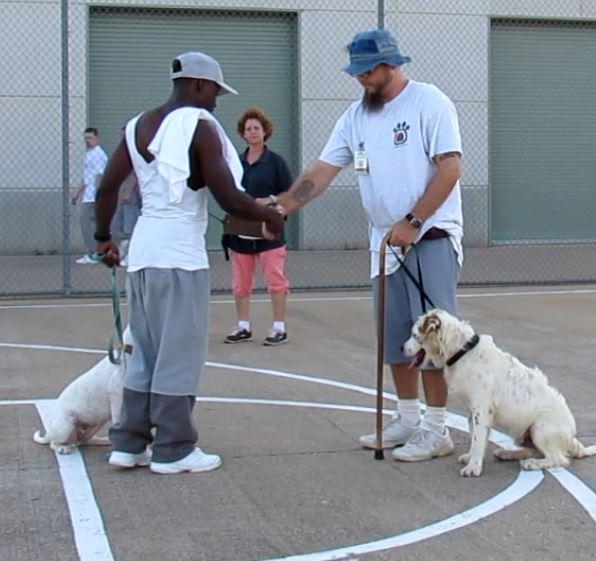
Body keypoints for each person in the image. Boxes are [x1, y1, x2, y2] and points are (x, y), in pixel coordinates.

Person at [277, 29, 464, 462]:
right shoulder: (355, 117)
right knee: (396, 336)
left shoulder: (429, 103)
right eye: (356, 71)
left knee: (433, 336)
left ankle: (437, 430)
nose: (359, 79)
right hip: (384, 241)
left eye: (366, 71)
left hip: (429, 236)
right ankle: (407, 417)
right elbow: (323, 171)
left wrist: (415, 220)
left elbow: (450, 169)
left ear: (390, 65)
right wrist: (283, 207)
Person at [93, 51, 284, 474]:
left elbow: (109, 185)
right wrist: (269, 215)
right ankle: (175, 448)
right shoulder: (200, 126)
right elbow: (228, 196)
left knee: (143, 349)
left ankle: (129, 442)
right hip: (180, 255)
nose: (217, 100)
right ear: (199, 85)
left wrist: (104, 237)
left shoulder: (137, 125)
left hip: (142, 253)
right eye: (215, 90)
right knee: (179, 352)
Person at [224, 107, 292, 346]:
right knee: (241, 280)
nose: (252, 132)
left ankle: (279, 327)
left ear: (265, 132)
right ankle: (243, 325)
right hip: (242, 229)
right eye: (248, 129)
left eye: (256, 128)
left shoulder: (276, 162)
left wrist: (271, 201)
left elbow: (290, 194)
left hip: (268, 229)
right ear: (243, 134)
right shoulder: (236, 162)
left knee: (275, 277)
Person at [71, 127, 108, 264]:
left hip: (93, 196)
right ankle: (96, 252)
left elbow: (99, 176)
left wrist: (98, 195)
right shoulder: (90, 154)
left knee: (87, 223)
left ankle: (94, 254)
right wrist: (78, 191)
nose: (87, 141)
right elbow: (87, 177)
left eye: (90, 138)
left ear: (97, 138)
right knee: (90, 224)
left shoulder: (98, 154)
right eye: (86, 138)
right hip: (88, 195)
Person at [111, 127, 142, 267]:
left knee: (130, 225)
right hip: (122, 192)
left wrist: (129, 190)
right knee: (117, 225)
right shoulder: (122, 153)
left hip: (132, 194)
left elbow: (137, 173)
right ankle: (124, 246)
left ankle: (132, 255)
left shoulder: (135, 152)